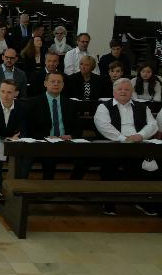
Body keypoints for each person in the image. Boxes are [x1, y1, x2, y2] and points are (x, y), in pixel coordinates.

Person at [94, 78, 160, 216]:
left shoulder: (142, 107)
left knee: (147, 168)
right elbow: (103, 126)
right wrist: (124, 139)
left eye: (127, 89)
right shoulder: (104, 107)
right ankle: (109, 203)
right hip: (114, 145)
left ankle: (142, 201)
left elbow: (152, 125)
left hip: (139, 145)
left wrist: (140, 135)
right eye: (120, 89)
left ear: (132, 92)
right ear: (114, 92)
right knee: (110, 166)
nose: (123, 91)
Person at [19, 73, 81, 179]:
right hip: (43, 142)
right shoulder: (33, 103)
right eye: (52, 81)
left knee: (87, 155)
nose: (56, 84)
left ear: (63, 85)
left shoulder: (70, 103)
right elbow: (29, 128)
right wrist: (46, 137)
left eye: (59, 82)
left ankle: (73, 184)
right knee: (48, 156)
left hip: (66, 142)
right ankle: (46, 184)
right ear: (45, 84)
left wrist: (71, 136)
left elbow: (78, 128)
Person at [0, 79, 27, 198]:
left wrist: (18, 137)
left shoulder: (22, 107)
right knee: (0, 148)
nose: (5, 95)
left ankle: (20, 184)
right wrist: (6, 139)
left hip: (14, 140)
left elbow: (24, 129)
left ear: (16, 93)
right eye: (2, 91)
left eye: (9, 92)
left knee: (27, 149)